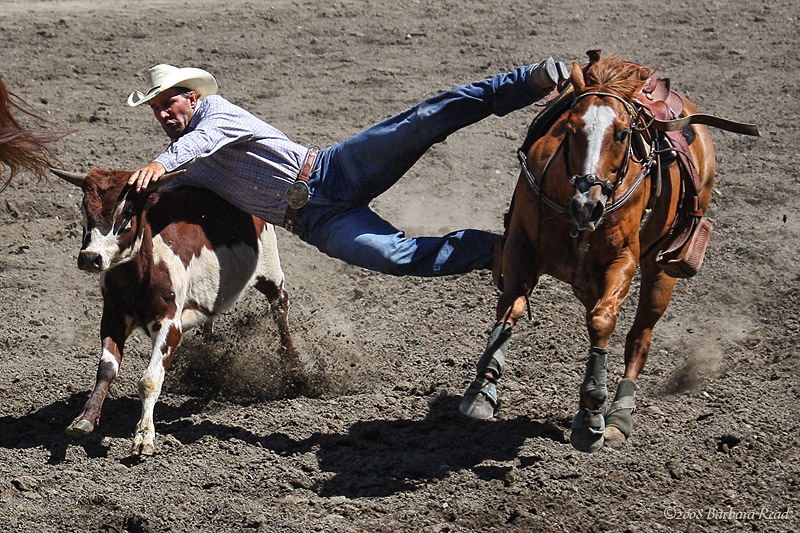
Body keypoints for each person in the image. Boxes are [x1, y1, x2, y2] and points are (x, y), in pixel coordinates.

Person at [127, 59, 568, 277]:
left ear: (194, 99)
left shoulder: (215, 115)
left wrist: (158, 163)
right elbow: (169, 190)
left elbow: (203, 144)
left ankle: (528, 81)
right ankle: (503, 250)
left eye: (171, 102)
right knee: (395, 257)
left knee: (422, 122)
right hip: (314, 222)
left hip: (330, 171)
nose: (165, 113)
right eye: (157, 109)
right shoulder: (181, 169)